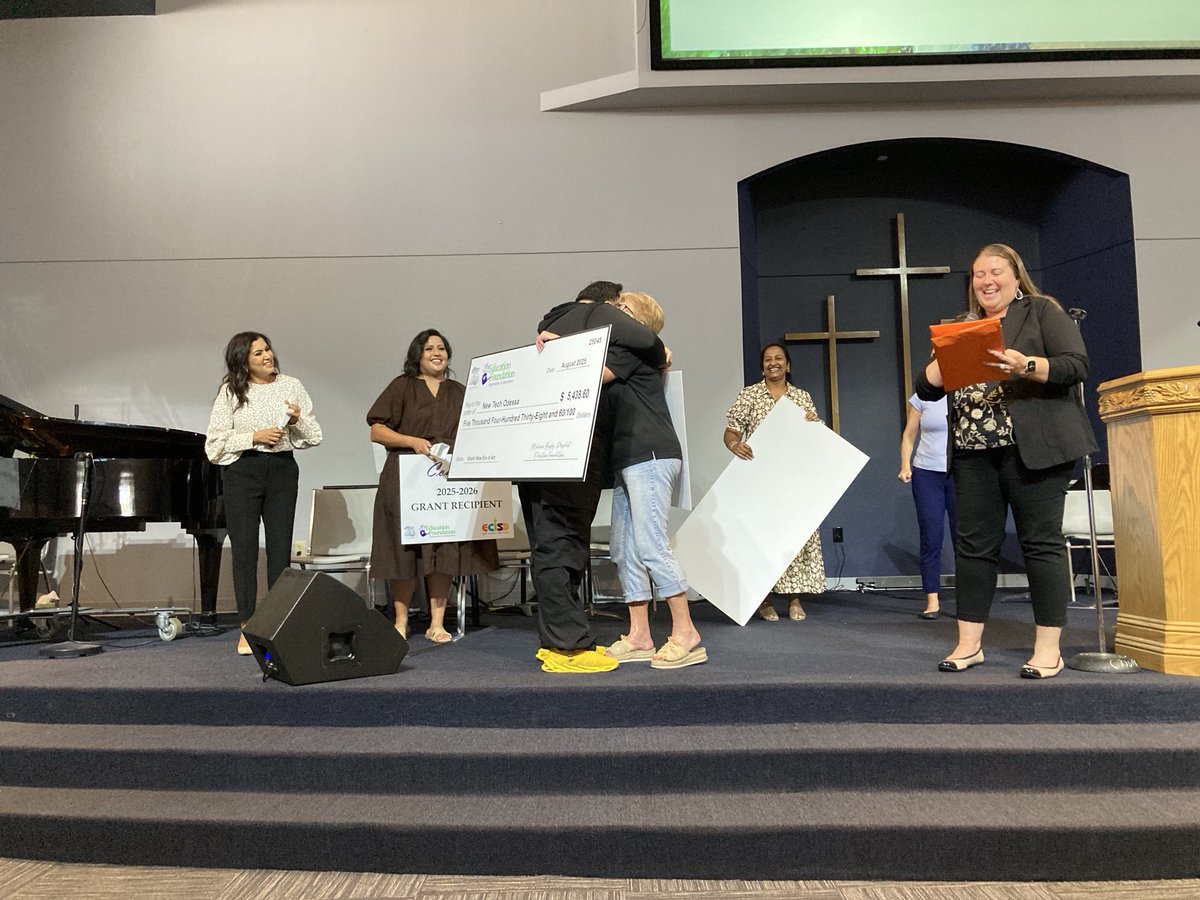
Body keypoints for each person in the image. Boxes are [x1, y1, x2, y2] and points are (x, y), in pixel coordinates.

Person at [916, 243, 1097, 679]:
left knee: (1040, 545)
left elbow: (1076, 365)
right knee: (974, 549)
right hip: (974, 453)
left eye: (995, 271)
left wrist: (1026, 364)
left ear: (1015, 276)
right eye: (978, 274)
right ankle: (968, 645)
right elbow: (925, 390)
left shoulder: (1040, 311)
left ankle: (1048, 651)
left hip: (1034, 449)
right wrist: (937, 369)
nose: (986, 280)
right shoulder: (961, 325)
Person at [522, 280, 669, 673]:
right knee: (563, 544)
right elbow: (650, 344)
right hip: (567, 454)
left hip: (535, 453)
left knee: (550, 544)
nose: (620, 312)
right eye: (618, 306)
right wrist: (658, 350)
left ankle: (556, 641)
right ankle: (566, 647)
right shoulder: (599, 319)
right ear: (607, 306)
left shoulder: (557, 323)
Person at [367, 329, 499, 643]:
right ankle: (400, 622)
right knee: (406, 550)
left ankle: (437, 623)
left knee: (444, 547)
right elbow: (377, 431)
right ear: (418, 355)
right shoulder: (402, 387)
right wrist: (411, 441)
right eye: (429, 348)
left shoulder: (459, 390)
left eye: (442, 348)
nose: (437, 353)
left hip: (446, 479)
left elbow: (479, 428)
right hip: (405, 478)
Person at [600, 292, 704, 669]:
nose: (615, 310)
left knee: (650, 544)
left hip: (652, 455)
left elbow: (591, 375)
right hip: (627, 458)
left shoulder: (634, 350)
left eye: (624, 308)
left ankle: (685, 633)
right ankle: (640, 634)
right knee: (625, 549)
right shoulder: (624, 351)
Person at [205, 332, 323, 655]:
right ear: (243, 361)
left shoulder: (291, 385)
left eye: (267, 349)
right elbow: (214, 446)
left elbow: (314, 435)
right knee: (244, 551)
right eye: (257, 353)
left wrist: (297, 421)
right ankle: (247, 626)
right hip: (244, 472)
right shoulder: (231, 392)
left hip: (283, 471)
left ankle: (278, 625)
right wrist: (253, 436)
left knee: (279, 551)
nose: (266, 356)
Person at [724, 342, 826, 622]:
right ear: (762, 366)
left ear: (788, 365)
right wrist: (735, 446)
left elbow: (816, 437)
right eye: (768, 359)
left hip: (794, 479)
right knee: (762, 539)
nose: (773, 363)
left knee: (794, 537)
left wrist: (814, 422)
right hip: (760, 480)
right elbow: (731, 431)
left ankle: (795, 599)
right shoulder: (750, 395)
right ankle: (765, 600)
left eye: (779, 358)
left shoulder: (802, 397)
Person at [898, 393, 956, 619]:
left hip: (959, 472)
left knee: (964, 538)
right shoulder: (922, 397)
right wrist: (905, 465)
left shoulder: (965, 391)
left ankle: (970, 601)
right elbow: (909, 435)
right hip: (926, 473)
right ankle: (932, 599)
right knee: (931, 535)